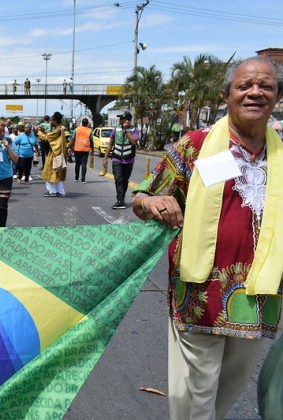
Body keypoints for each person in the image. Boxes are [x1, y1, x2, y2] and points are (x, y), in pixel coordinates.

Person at [132, 56, 283, 420]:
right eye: (244, 86)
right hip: (199, 297)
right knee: (196, 398)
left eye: (265, 86)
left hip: (259, 297)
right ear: (226, 95)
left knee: (228, 391)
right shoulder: (195, 145)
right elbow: (141, 198)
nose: (254, 92)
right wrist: (154, 201)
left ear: (277, 97)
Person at [104, 111, 139, 209]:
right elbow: (110, 143)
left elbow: (133, 141)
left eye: (121, 118)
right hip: (117, 158)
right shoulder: (116, 129)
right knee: (118, 179)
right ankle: (120, 200)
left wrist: (127, 130)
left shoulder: (134, 130)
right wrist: (106, 157)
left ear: (127, 120)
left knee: (124, 180)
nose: (119, 120)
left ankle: (121, 199)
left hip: (129, 160)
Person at [38, 111, 67, 197]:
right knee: (57, 173)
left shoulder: (58, 130)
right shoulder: (60, 129)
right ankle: (60, 192)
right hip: (58, 154)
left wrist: (40, 133)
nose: (51, 122)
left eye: (52, 120)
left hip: (55, 154)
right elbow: (50, 136)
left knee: (48, 172)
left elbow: (47, 138)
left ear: (55, 121)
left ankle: (52, 191)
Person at [71, 118, 93, 183]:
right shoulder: (89, 130)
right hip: (85, 150)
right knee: (84, 164)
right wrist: (92, 149)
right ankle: (83, 179)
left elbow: (72, 139)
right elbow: (91, 141)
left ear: (82, 123)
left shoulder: (76, 129)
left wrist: (70, 147)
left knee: (77, 164)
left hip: (77, 149)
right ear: (87, 123)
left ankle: (76, 177)